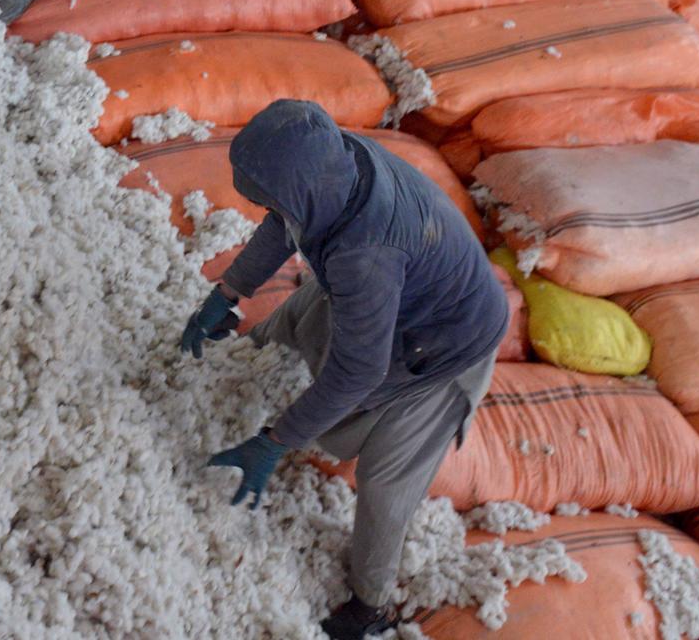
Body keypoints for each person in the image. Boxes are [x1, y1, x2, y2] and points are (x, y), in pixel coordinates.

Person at [179, 100, 510, 639]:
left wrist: (275, 440)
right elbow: (284, 225)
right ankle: (255, 375)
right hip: (393, 293)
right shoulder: (342, 165)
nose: (274, 209)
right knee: (288, 331)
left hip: (447, 348)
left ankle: (370, 606)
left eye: (274, 199)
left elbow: (358, 373)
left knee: (385, 480)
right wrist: (230, 291)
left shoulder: (365, 258)